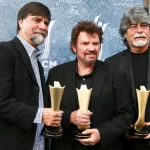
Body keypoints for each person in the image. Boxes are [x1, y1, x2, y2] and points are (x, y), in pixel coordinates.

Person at [46, 21, 133, 150]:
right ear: (74, 47)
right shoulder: (56, 74)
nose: (91, 48)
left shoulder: (116, 74)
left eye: (95, 43)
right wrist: (70, 117)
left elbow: (126, 115)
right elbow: (46, 110)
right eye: (85, 43)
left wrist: (101, 133)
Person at [0, 2, 62, 150]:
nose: (43, 27)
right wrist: (40, 114)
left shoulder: (37, 63)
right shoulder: (4, 51)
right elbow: (2, 102)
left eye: (46, 23)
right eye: (36, 20)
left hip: (38, 144)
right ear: (20, 22)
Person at [105, 7, 150, 150]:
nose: (139, 30)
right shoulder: (111, 64)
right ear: (125, 33)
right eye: (133, 26)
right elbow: (106, 105)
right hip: (122, 142)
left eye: (144, 25)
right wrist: (120, 128)